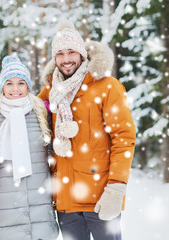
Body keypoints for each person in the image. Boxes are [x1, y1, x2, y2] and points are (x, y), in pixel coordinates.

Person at [38, 20, 136, 240]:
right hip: (65, 202)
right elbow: (25, 113)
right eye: (60, 54)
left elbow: (124, 138)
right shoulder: (50, 91)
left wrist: (116, 188)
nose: (66, 59)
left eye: (71, 52)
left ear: (82, 53)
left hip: (100, 198)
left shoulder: (107, 86)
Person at [0, 55, 59, 240]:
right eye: (9, 83)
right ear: (2, 86)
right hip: (8, 207)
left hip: (40, 205)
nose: (15, 89)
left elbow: (52, 153)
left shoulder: (40, 112)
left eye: (21, 83)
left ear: (28, 85)